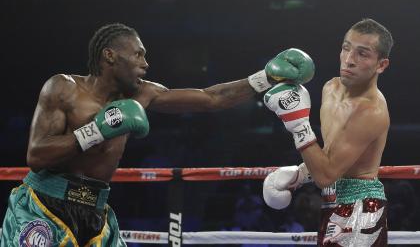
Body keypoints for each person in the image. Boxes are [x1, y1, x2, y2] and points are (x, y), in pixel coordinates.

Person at [0, 23, 314, 246]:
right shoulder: (63, 87)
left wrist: (264, 77)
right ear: (110, 56)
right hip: (44, 202)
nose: (146, 64)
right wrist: (96, 130)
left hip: (95, 211)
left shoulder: (143, 95)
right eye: (138, 55)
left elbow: (211, 98)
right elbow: (37, 156)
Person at [262, 18, 393, 246]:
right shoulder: (330, 88)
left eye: (362, 54)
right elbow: (331, 157)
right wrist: (301, 174)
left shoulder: (371, 110)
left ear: (381, 65)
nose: (349, 60)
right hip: (332, 202)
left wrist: (298, 123)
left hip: (362, 208)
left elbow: (326, 176)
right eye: (346, 48)